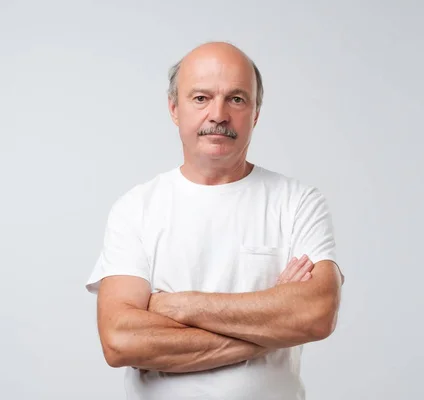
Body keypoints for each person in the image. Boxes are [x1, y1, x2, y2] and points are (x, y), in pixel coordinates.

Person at [85, 41, 344, 400]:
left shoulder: (298, 203)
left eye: (236, 99)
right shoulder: (136, 208)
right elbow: (120, 340)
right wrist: (271, 325)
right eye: (201, 98)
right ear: (175, 109)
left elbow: (316, 315)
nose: (219, 114)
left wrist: (176, 305)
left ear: (255, 112)